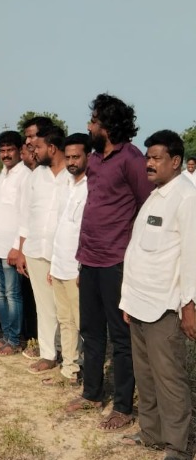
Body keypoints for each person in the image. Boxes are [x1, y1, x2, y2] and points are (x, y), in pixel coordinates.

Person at [66, 94, 152, 433]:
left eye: (94, 121)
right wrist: (81, 260)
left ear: (108, 126)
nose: (89, 126)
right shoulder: (95, 160)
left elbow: (146, 205)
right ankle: (91, 394)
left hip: (117, 261)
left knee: (121, 337)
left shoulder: (131, 159)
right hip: (89, 259)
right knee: (90, 331)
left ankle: (123, 407)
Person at [120, 130, 196, 460]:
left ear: (176, 161)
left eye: (156, 158)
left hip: (165, 305)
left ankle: (177, 449)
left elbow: (191, 256)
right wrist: (127, 298)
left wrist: (189, 304)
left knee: (170, 379)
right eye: (147, 157)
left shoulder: (186, 197)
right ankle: (151, 433)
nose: (148, 163)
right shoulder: (154, 196)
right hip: (139, 301)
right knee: (146, 374)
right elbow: (137, 251)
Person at [15, 126, 69, 374]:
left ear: (52, 148)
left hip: (64, 253)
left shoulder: (74, 176)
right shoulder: (36, 176)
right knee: (44, 306)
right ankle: (49, 354)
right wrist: (21, 250)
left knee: (68, 310)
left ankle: (72, 356)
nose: (33, 151)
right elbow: (26, 215)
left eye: (38, 147)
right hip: (36, 249)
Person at [46, 133, 91, 385]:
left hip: (77, 267)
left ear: (88, 156)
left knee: (83, 323)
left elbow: (88, 232)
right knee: (65, 320)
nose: (72, 162)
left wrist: (83, 267)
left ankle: (88, 371)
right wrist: (53, 264)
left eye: (76, 157)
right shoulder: (66, 185)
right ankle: (69, 369)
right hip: (60, 264)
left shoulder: (91, 187)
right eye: (69, 157)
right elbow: (60, 228)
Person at [0, 131, 30, 355]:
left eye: (10, 150)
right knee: (1, 293)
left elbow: (25, 215)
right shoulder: (2, 174)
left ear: (19, 150)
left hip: (11, 248)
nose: (5, 154)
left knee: (13, 295)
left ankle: (15, 340)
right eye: (2, 150)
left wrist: (17, 247)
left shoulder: (25, 175)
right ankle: (6, 335)